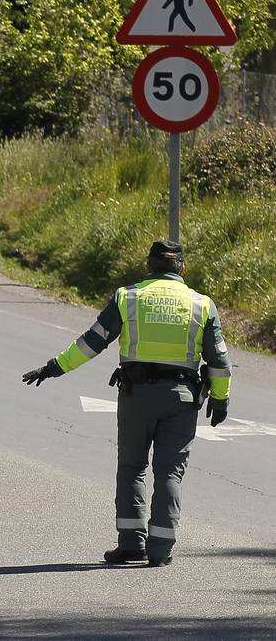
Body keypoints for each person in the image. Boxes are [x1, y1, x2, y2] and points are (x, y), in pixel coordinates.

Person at [21, 240, 232, 567]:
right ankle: (160, 550)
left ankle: (132, 545)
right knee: (170, 473)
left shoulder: (128, 297)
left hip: (137, 396)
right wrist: (220, 399)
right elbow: (219, 361)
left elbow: (92, 342)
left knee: (132, 468)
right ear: (182, 268)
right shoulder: (201, 304)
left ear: (148, 265)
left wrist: (54, 368)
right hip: (182, 397)